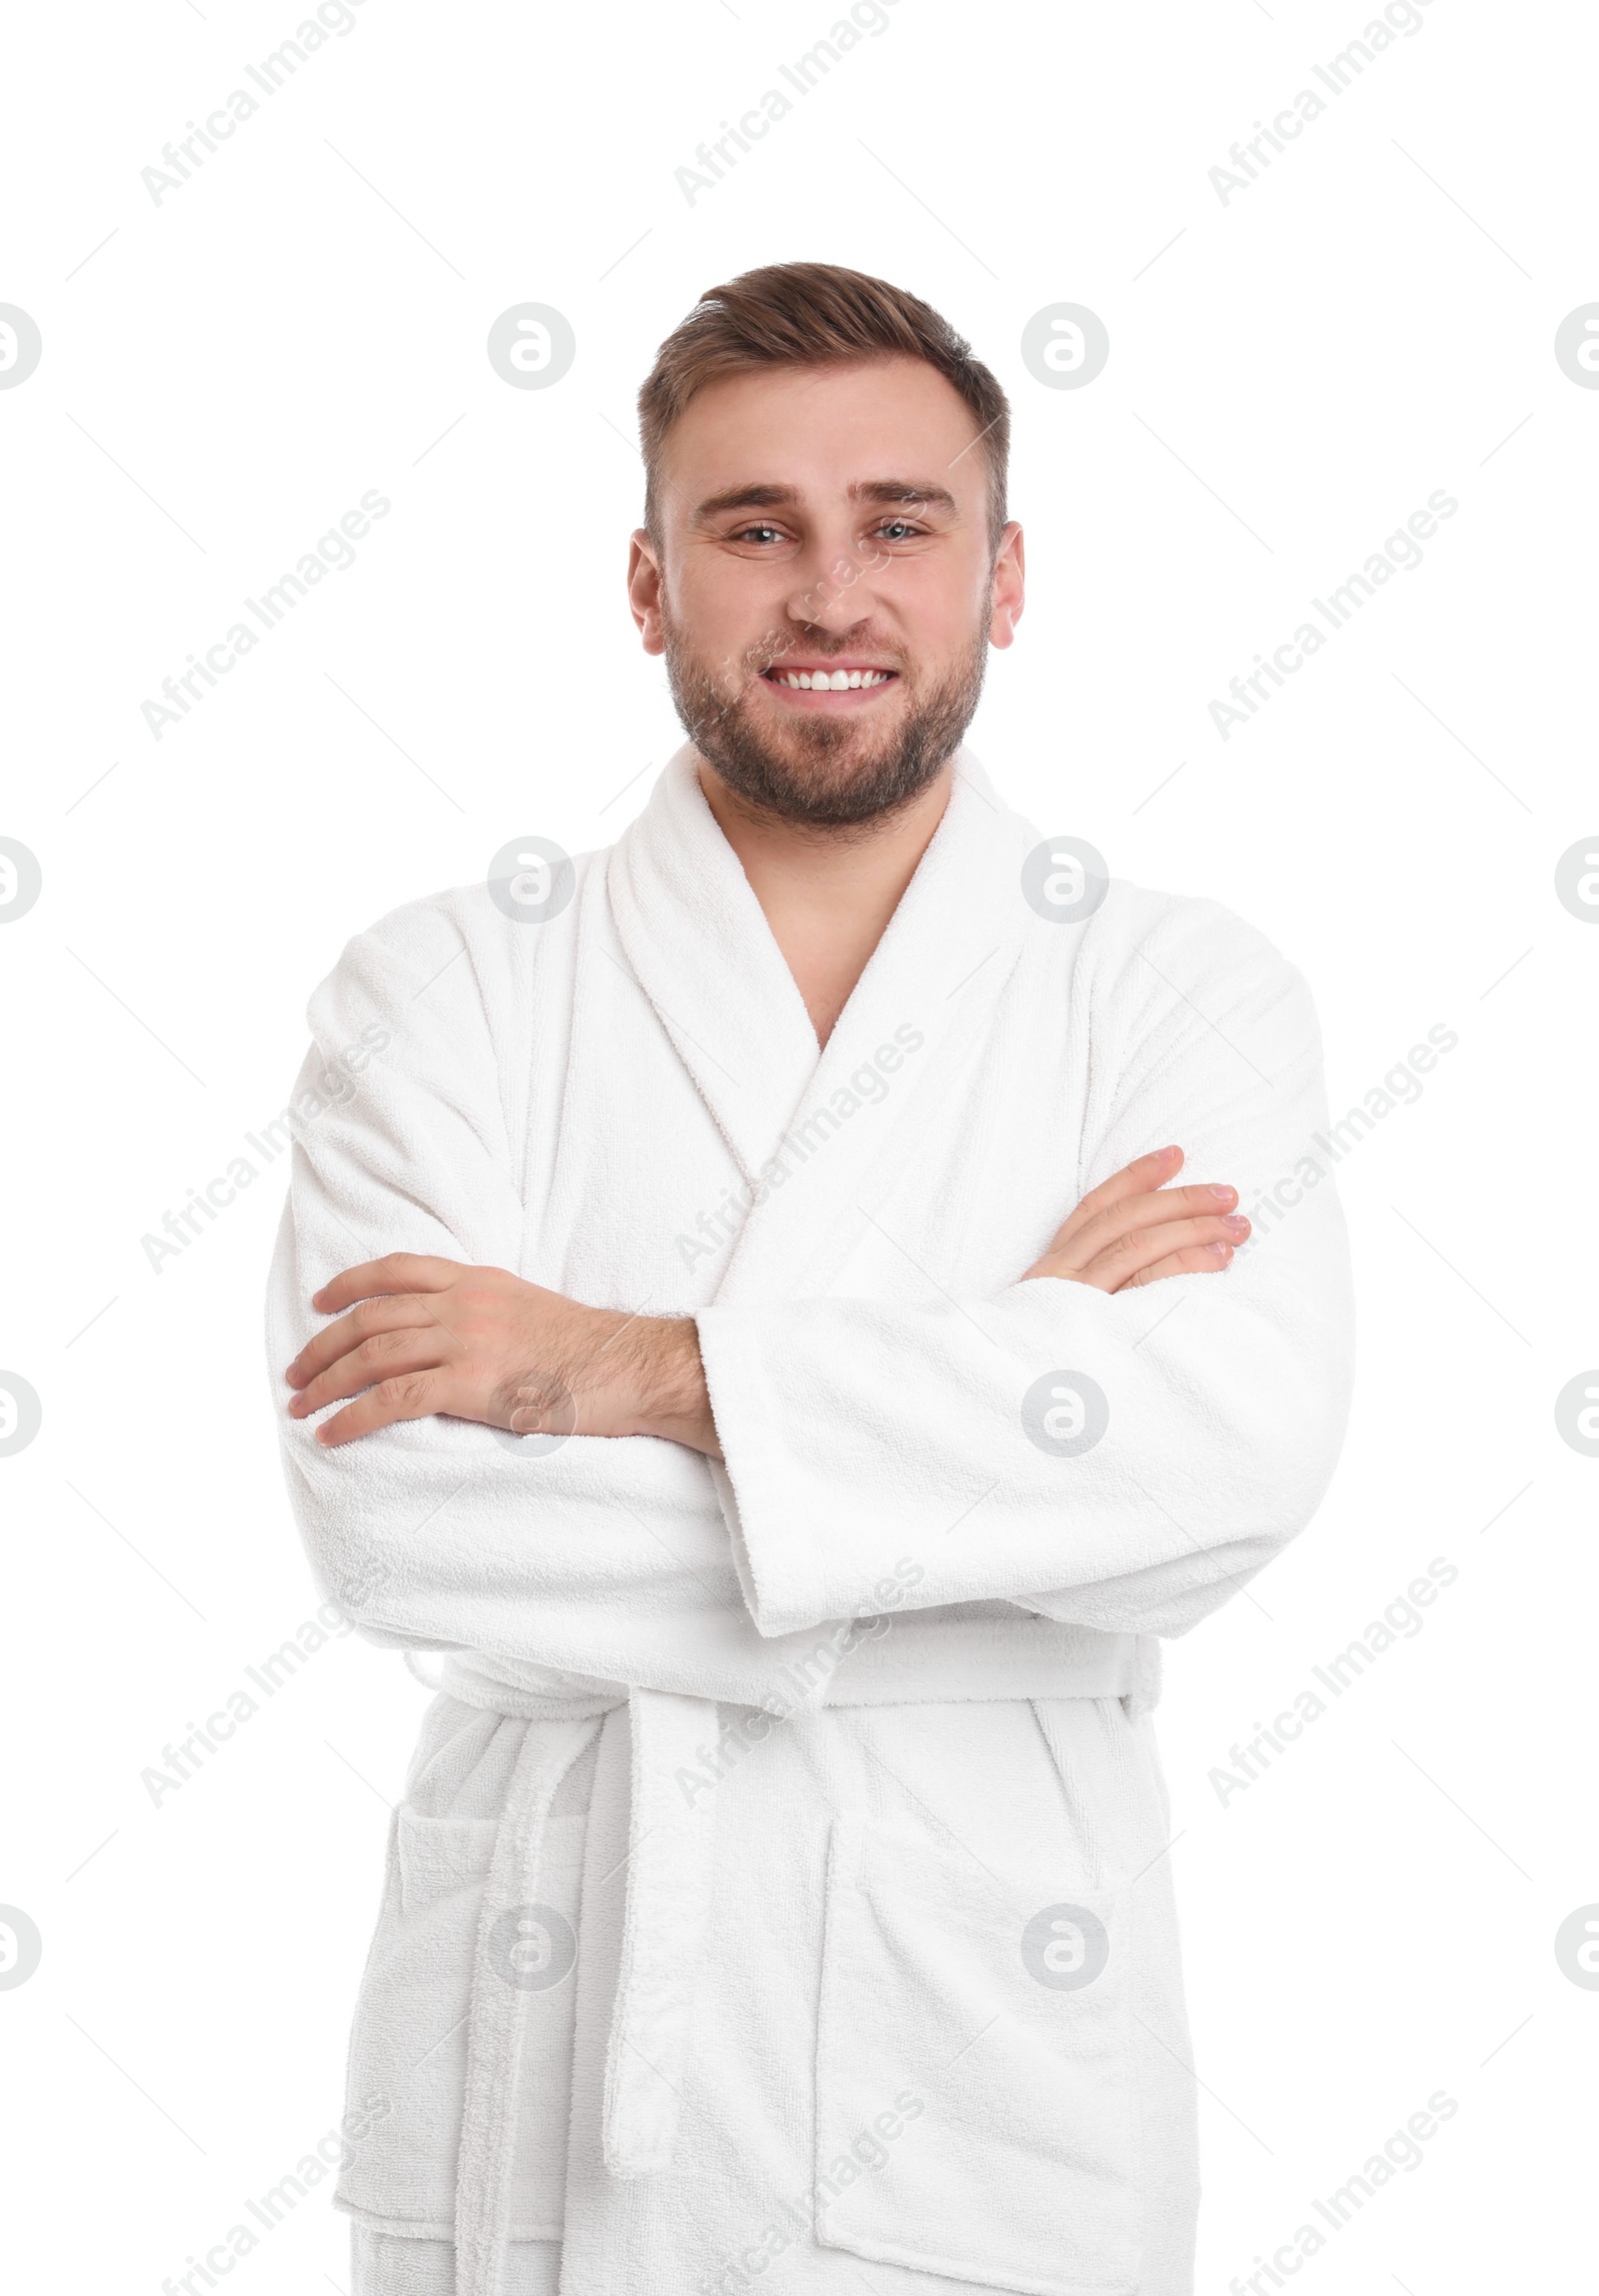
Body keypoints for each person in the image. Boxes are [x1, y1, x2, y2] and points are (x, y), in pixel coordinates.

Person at [266, 260, 1353, 2296]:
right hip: (553, 2000)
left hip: (988, 2048)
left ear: (1003, 578)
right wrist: (1018, 1382)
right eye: (751, 530)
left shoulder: (1174, 995)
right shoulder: (449, 988)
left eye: (897, 524)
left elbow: (1224, 1461)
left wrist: (617, 1366)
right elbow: (395, 1510)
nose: (826, 595)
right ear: (646, 582)